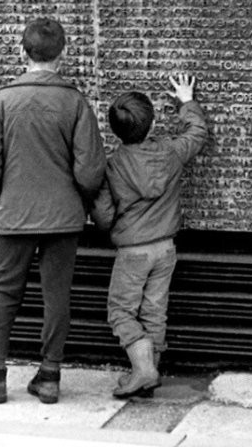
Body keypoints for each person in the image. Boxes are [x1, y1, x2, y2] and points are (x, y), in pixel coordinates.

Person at [0, 17, 106, 405]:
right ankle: (49, 376)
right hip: (63, 216)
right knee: (56, 294)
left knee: (4, 290)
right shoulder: (75, 102)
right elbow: (90, 169)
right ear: (63, 54)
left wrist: (0, 190)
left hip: (16, 214)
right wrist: (78, 195)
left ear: (22, 51)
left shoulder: (4, 101)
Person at [91, 72, 208, 398]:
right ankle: (150, 371)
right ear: (153, 123)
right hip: (165, 249)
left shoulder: (114, 166)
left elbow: (104, 216)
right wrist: (186, 102)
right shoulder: (171, 153)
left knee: (121, 312)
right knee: (155, 311)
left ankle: (142, 369)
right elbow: (197, 133)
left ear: (115, 131)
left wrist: (103, 214)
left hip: (133, 251)